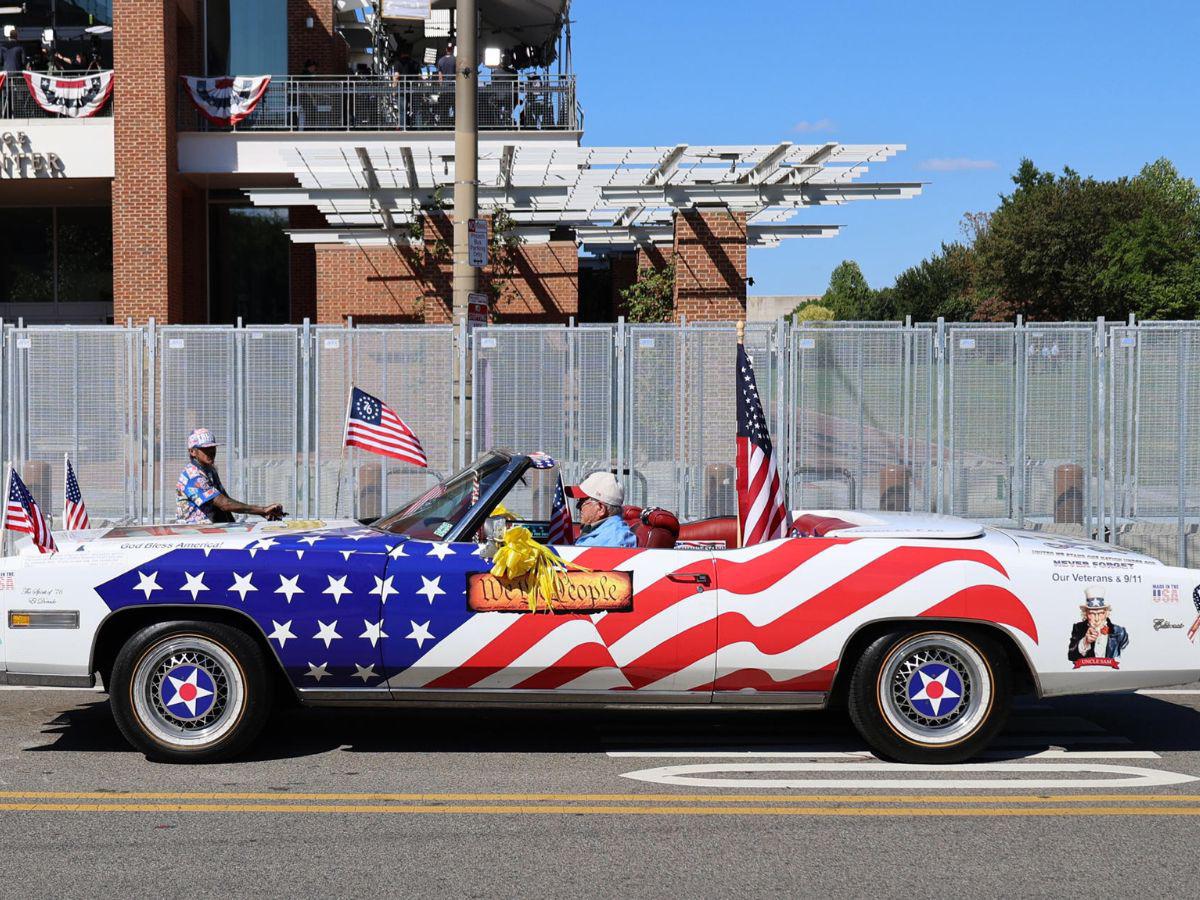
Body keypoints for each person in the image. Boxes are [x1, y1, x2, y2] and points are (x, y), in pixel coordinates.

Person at [176, 428, 286, 524]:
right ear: (192, 452)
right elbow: (224, 504)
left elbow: (225, 503)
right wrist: (262, 510)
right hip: (195, 535)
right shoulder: (193, 475)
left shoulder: (209, 470)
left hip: (210, 532)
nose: (211, 452)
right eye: (205, 449)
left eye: (212, 447)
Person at [567, 472, 636, 548]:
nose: (577, 507)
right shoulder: (599, 530)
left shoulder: (617, 539)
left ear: (600, 509)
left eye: (582, 502)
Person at [1068, 589, 1130, 662]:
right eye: (1092, 614)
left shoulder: (1120, 632)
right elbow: (1071, 656)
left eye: (1100, 613)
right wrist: (1085, 642)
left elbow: (1125, 658)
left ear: (1106, 613)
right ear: (1085, 614)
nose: (1097, 619)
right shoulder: (1078, 628)